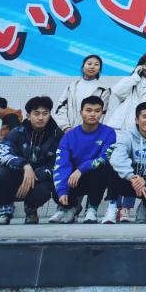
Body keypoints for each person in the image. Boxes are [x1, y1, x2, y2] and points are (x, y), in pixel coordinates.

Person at [0, 96, 63, 225]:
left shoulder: (57, 135)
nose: (41, 117)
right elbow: (2, 153)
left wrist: (36, 175)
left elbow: (60, 161)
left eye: (45, 113)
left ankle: (31, 210)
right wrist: (25, 165)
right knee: (0, 174)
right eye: (36, 113)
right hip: (18, 173)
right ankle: (5, 211)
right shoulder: (17, 132)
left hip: (41, 177)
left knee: (46, 188)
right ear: (28, 116)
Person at [51, 95, 117, 224]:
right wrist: (62, 191)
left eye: (97, 111)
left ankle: (92, 209)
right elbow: (62, 163)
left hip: (94, 176)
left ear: (102, 113)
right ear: (81, 112)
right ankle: (70, 208)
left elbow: (105, 157)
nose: (93, 114)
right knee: (57, 188)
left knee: (104, 170)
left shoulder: (109, 133)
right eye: (88, 110)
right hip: (74, 178)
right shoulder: (69, 136)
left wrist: (81, 169)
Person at [104, 101, 146, 224]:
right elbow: (117, 158)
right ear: (137, 120)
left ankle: (144, 206)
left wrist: (145, 177)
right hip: (129, 180)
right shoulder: (127, 135)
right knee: (111, 168)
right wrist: (132, 177)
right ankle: (112, 207)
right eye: (145, 116)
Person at [107, 52, 146, 133]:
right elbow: (117, 91)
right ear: (140, 65)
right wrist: (135, 77)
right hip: (120, 127)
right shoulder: (131, 79)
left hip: (141, 129)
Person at [56, 55, 110, 131]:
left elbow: (103, 114)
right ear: (83, 66)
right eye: (89, 64)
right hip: (69, 132)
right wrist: (66, 127)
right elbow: (61, 108)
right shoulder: (71, 87)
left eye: (96, 64)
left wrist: (92, 131)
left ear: (99, 69)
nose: (92, 67)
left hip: (91, 132)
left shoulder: (103, 90)